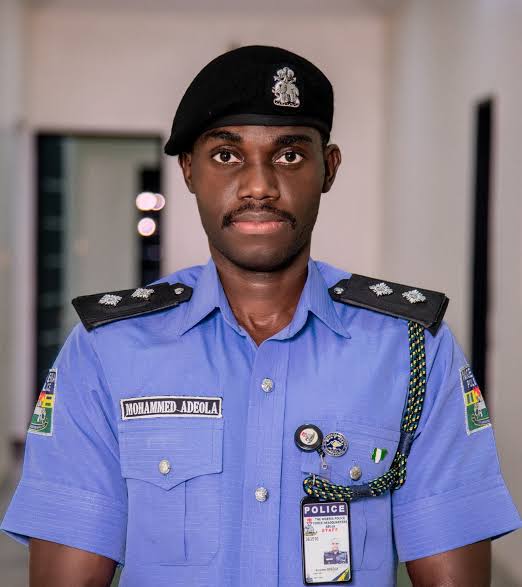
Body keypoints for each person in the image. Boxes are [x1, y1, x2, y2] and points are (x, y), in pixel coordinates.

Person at [1, 45, 520, 587]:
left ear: (329, 168)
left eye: (289, 155)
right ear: (188, 171)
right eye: (227, 155)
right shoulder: (107, 350)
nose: (259, 186)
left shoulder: (412, 349)